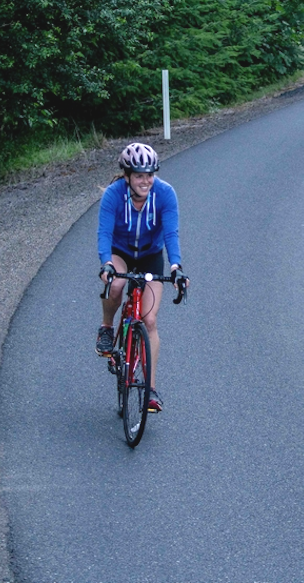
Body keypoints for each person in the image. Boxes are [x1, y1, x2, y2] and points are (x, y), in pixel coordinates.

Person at [96, 142, 186, 413]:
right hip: (120, 252)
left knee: (149, 319)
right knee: (118, 284)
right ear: (127, 176)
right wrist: (107, 264)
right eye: (138, 175)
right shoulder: (113, 195)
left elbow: (171, 234)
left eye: (149, 174)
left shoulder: (165, 194)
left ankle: (150, 391)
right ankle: (107, 327)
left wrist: (176, 267)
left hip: (149, 255)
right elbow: (104, 233)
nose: (145, 180)